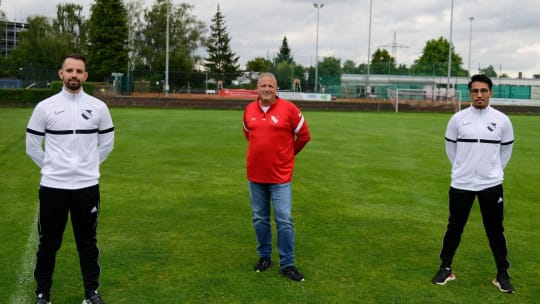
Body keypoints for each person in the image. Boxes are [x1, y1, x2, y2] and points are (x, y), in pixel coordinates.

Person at [26, 54, 114, 304]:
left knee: (87, 243)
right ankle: (43, 294)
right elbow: (32, 146)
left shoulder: (99, 107)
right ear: (61, 74)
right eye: (69, 70)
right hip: (53, 187)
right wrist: (55, 167)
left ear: (85, 76)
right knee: (48, 244)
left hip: (87, 187)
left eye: (79, 71)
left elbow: (106, 144)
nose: (74, 75)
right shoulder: (45, 107)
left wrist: (85, 167)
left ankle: (91, 294)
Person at [432, 74, 515, 293]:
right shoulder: (457, 119)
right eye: (475, 91)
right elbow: (452, 150)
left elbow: (505, 151)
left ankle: (502, 274)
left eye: (484, 91)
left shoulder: (502, 120)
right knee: (454, 228)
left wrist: (493, 171)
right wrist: (462, 168)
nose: (480, 95)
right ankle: (445, 268)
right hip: (461, 183)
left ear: (490, 92)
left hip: (491, 184)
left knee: (495, 230)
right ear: (470, 93)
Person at [242, 72, 311, 281]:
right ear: (257, 88)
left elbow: (304, 135)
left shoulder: (289, 109)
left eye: (270, 86)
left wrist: (288, 155)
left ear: (276, 88)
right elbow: (248, 134)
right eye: (263, 85)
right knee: (260, 219)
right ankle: (264, 257)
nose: (266, 89)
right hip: (255, 176)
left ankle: (287, 263)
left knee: (284, 220)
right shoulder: (249, 110)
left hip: (280, 177)